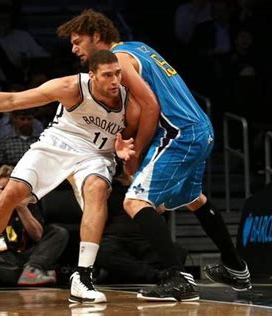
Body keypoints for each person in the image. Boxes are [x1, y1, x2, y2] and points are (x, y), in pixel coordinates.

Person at [57, 9, 252, 301]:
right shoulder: (140, 47)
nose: (74, 49)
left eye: (77, 41)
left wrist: (136, 152)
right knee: (192, 199)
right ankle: (236, 267)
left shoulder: (119, 60)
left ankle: (177, 278)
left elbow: (149, 107)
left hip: (178, 133)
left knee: (135, 202)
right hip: (200, 128)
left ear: (96, 36)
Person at [0, 50, 136, 303]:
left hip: (95, 155)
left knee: (97, 190)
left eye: (118, 74)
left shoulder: (129, 102)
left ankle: (83, 276)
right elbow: (14, 100)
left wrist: (125, 156)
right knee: (11, 193)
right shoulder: (71, 87)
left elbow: (134, 144)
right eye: (108, 75)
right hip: (57, 144)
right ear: (92, 76)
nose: (115, 80)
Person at [0, 165, 68, 287]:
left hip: (29, 256)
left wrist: (21, 207)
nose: (6, 193)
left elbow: (37, 235)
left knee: (58, 232)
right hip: (1, 257)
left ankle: (31, 270)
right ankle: (28, 277)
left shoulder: (28, 201)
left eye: (9, 189)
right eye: (2, 189)